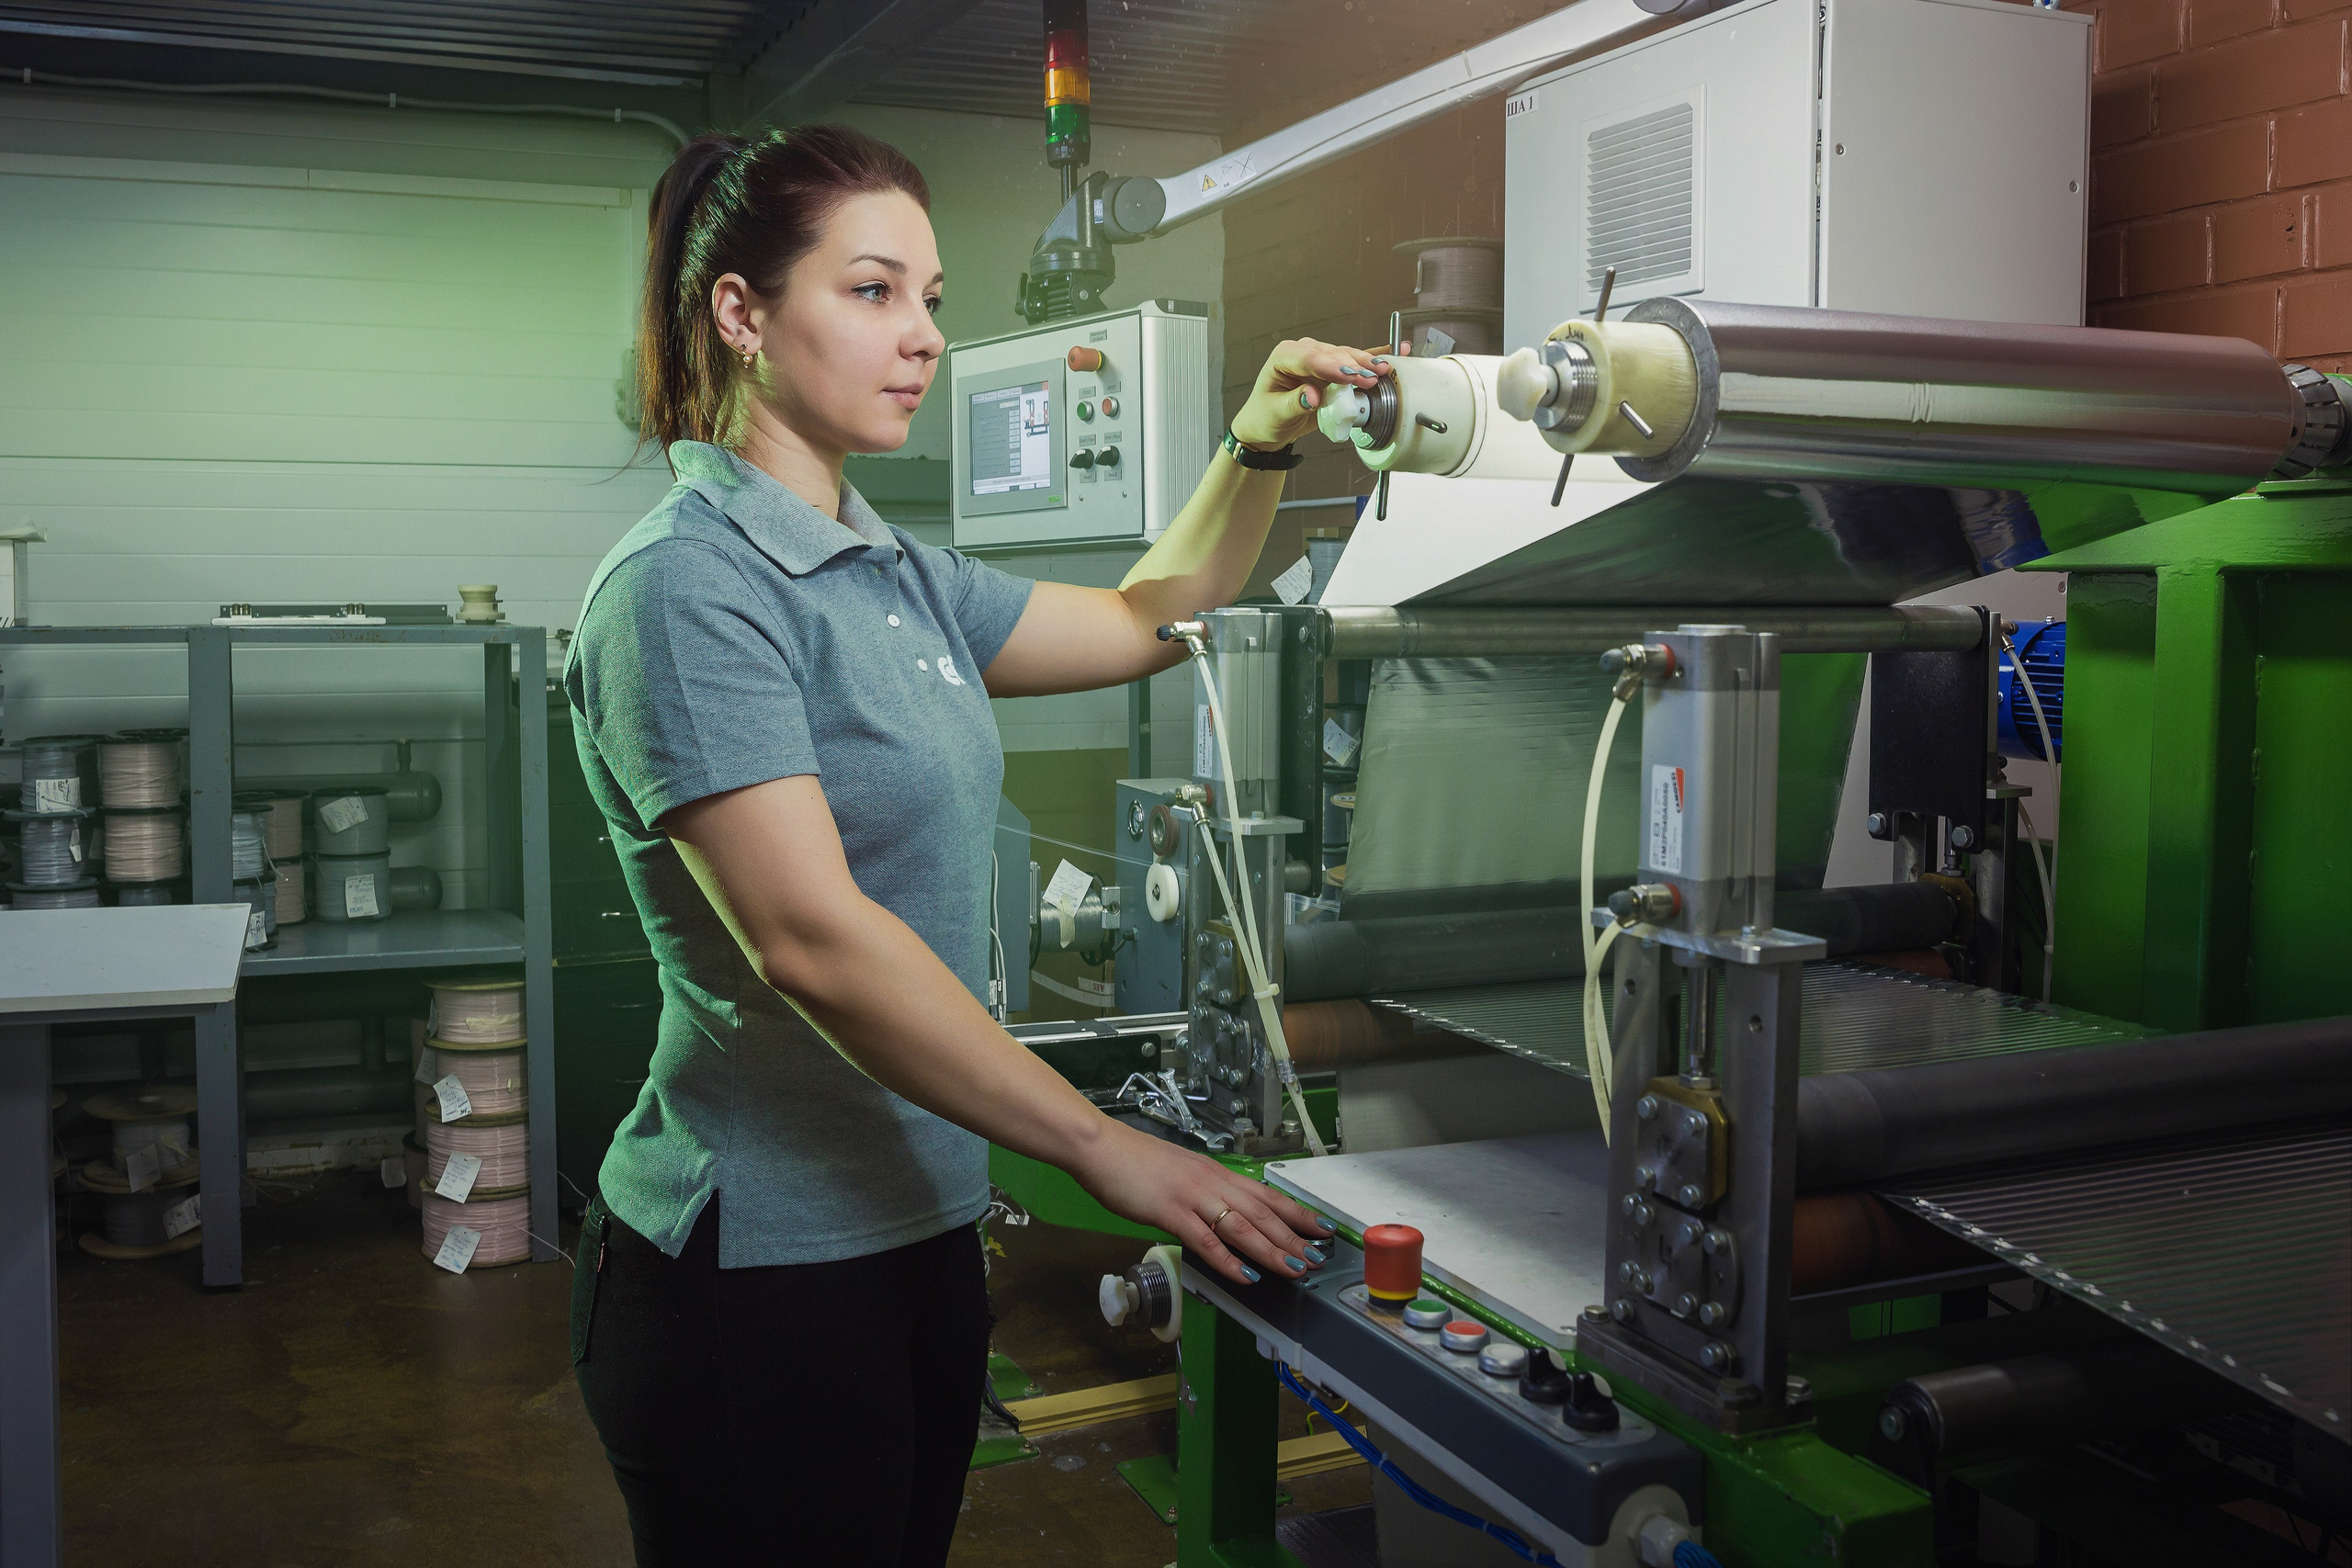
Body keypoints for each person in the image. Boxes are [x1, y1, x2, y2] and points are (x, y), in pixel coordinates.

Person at [564, 123, 1390, 1567]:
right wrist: (1104, 1148)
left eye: (933, 298)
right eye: (876, 293)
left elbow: (1149, 616)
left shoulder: (893, 573)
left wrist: (1260, 439)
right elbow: (811, 940)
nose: (926, 337)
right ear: (742, 315)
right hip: (756, 1273)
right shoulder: (686, 590)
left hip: (921, 1234)